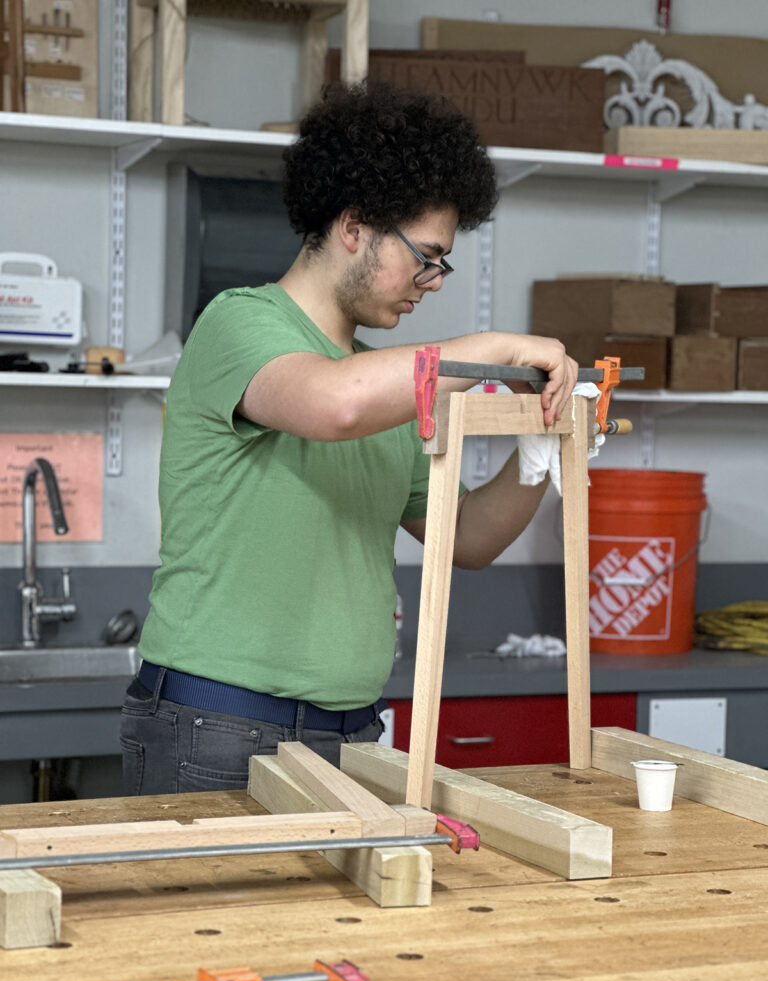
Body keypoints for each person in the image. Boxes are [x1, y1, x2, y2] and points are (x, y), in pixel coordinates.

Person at [120, 80, 578, 796]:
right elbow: (333, 405)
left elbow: (473, 539)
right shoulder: (238, 324)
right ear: (355, 226)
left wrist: (541, 447)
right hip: (216, 728)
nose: (432, 281)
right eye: (426, 255)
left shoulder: (385, 386)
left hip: (353, 732)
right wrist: (496, 349)